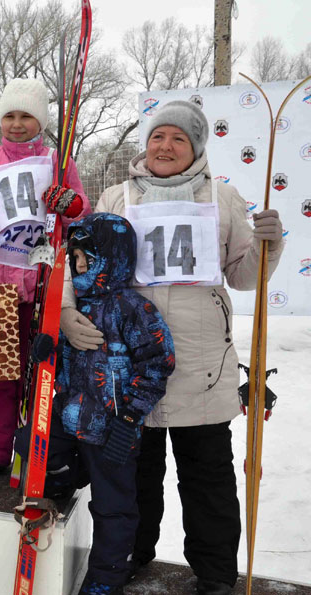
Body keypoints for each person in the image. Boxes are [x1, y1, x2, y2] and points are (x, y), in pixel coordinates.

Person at [60, 100, 285, 594]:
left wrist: (270, 246)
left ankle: (216, 574)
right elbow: (83, 264)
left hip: (201, 363)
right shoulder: (116, 196)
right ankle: (134, 555)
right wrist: (66, 311)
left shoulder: (223, 198)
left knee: (207, 481)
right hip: (127, 365)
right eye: (158, 137)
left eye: (179, 139)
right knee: (134, 474)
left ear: (196, 148)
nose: (166, 146)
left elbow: (243, 277)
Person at [25, 212, 176, 594]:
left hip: (112, 425)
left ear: (111, 259)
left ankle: (107, 576)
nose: (77, 268)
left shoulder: (132, 309)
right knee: (28, 444)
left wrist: (129, 416)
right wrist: (45, 350)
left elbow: (159, 362)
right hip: (69, 412)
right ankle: (64, 480)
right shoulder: (73, 308)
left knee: (112, 506)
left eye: (85, 260)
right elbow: (61, 363)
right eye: (73, 259)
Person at [0, 77, 91, 483]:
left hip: (44, 282)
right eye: (9, 115)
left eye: (26, 116)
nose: (16, 124)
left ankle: (33, 448)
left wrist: (71, 203)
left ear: (41, 121)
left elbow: (78, 213)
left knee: (41, 373)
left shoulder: (57, 162)